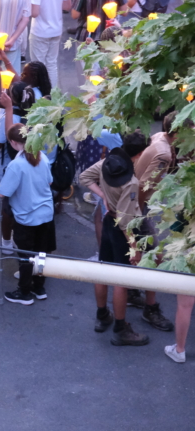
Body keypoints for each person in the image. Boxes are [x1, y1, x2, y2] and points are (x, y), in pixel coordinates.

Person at [80, 148, 151, 346]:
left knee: (103, 269)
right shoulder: (131, 183)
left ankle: (102, 315)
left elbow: (84, 177)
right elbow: (125, 221)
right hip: (122, 231)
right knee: (121, 279)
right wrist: (134, 246)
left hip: (108, 224)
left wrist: (103, 195)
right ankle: (120, 329)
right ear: (137, 156)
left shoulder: (106, 163)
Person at [0, 123, 56, 305]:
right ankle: (39, 287)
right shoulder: (43, 157)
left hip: (26, 217)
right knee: (41, 254)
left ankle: (24, 292)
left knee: (25, 256)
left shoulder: (17, 165)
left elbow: (3, 192)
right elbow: (49, 182)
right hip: (46, 215)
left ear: (14, 143)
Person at [131, 115, 178, 331]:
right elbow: (143, 185)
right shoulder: (164, 154)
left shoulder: (160, 136)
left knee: (134, 252)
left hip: (134, 204)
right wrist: (138, 214)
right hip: (137, 207)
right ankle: (151, 309)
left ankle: (132, 292)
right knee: (155, 256)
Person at [29, 0, 72, 87]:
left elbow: (34, 13)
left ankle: (39, 96)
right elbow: (67, 6)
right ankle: (52, 96)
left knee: (37, 66)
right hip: (56, 29)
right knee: (51, 64)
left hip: (40, 31)